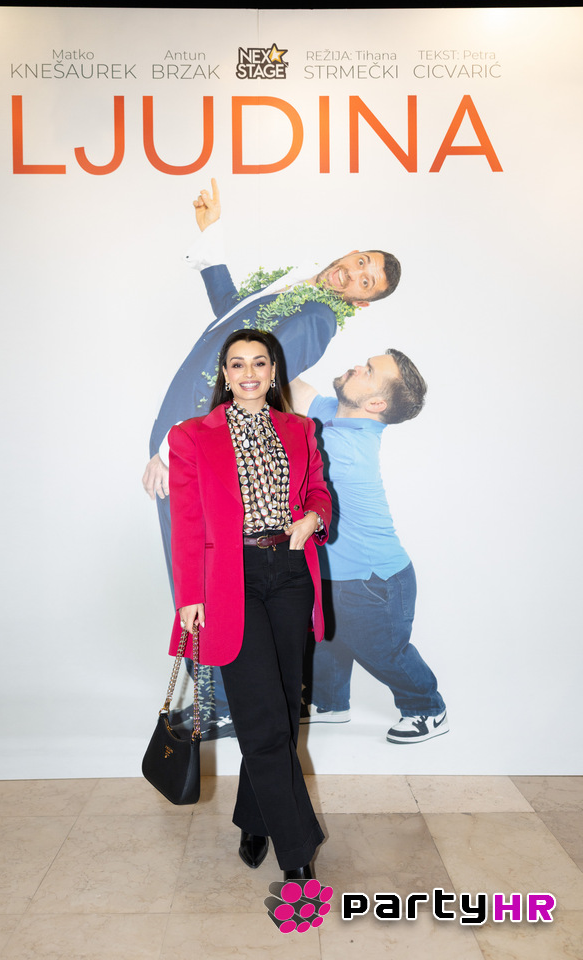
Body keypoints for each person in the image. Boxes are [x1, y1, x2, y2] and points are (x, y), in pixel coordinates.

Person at [143, 179, 400, 736]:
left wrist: (173, 445)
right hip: (186, 443)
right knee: (198, 573)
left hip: (192, 451)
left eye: (365, 281)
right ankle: (222, 700)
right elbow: (231, 319)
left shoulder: (316, 317)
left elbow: (249, 384)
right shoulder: (300, 287)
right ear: (351, 252)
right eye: (361, 262)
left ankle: (223, 703)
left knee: (201, 576)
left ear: (360, 301)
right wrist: (211, 236)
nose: (354, 273)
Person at [168, 329, 332, 879]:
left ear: (273, 371)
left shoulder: (300, 429)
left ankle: (256, 815)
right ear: (225, 374)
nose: (248, 373)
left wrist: (313, 518)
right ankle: (297, 851)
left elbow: (318, 492)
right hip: (228, 581)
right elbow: (187, 521)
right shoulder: (192, 436)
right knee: (262, 720)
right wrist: (189, 596)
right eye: (237, 364)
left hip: (289, 572)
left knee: (280, 711)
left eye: (259, 363)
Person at [290, 350, 448, 744]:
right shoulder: (335, 413)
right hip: (337, 572)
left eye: (369, 371)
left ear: (375, 403)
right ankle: (329, 704)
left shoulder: (346, 449)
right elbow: (294, 387)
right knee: (327, 638)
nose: (358, 366)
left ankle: (427, 708)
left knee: (385, 652)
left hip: (373, 582)